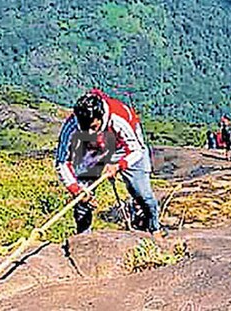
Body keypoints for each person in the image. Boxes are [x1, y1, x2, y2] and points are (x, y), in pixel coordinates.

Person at [55, 89, 162, 234]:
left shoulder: (118, 118)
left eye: (94, 127)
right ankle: (83, 239)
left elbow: (137, 150)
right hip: (92, 149)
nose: (90, 133)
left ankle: (153, 228)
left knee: (143, 194)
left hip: (123, 146)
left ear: (101, 117)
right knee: (82, 199)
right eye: (85, 129)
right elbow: (62, 162)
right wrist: (76, 189)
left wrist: (119, 165)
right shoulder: (72, 125)